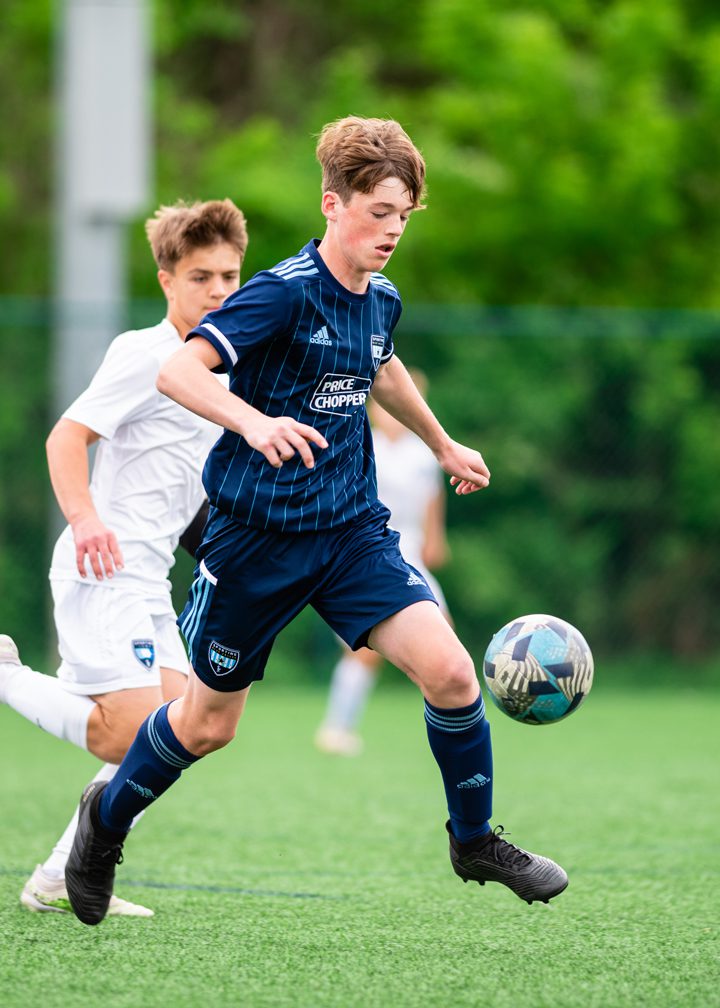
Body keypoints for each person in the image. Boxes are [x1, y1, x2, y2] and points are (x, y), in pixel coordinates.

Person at [63, 116, 568, 927]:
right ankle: (105, 822)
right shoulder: (281, 291)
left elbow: (381, 362)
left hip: (350, 535)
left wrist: (441, 441)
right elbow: (177, 372)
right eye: (378, 213)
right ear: (333, 205)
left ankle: (473, 841)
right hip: (254, 543)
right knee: (206, 723)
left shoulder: (382, 298)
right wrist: (252, 423)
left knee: (451, 673)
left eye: (404, 216)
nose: (392, 231)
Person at [0, 198, 248, 916]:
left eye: (230, 276)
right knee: (138, 731)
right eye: (202, 276)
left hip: (148, 577)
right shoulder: (145, 353)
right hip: (100, 566)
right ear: (167, 278)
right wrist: (85, 520)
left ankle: (55, 875)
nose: (219, 292)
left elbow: (188, 487)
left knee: (183, 734)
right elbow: (65, 437)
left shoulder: (222, 365)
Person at [315, 370, 452, 756]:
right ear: (374, 406)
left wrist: (435, 536)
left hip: (411, 550)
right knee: (364, 651)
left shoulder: (422, 452)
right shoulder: (362, 444)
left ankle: (447, 723)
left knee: (444, 640)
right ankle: (336, 727)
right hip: (370, 551)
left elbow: (432, 496)